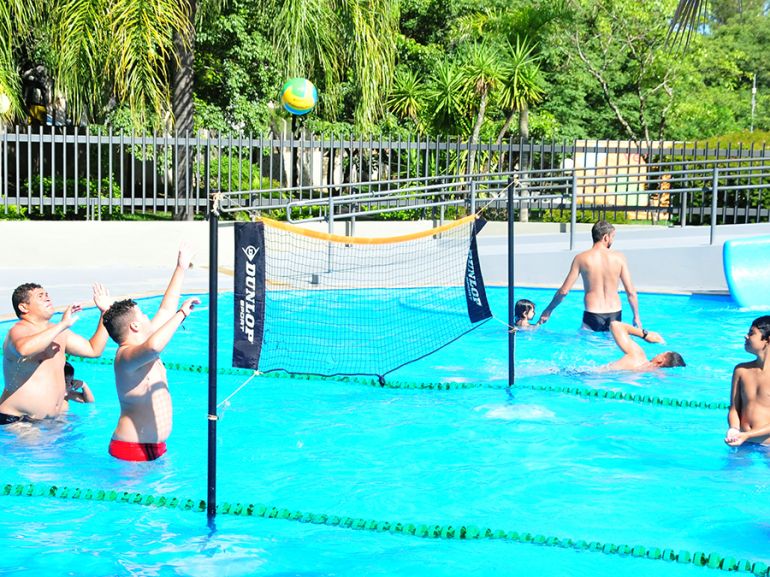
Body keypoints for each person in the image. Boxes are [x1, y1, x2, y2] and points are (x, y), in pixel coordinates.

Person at [102, 246, 199, 462]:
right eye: (144, 314)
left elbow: (165, 310)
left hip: (157, 447)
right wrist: (182, 314)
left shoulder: (143, 344)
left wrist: (181, 268)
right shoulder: (125, 357)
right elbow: (155, 346)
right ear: (135, 326)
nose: (148, 317)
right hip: (130, 448)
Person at [1, 283, 112, 424]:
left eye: (47, 295)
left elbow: (93, 350)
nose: (47, 299)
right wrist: (62, 324)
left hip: (51, 421)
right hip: (19, 421)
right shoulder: (18, 330)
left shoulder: (60, 332)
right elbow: (24, 349)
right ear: (24, 307)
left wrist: (106, 312)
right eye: (40, 296)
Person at [537, 221, 641, 332]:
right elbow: (630, 292)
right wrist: (636, 316)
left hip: (593, 313)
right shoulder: (619, 258)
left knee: (588, 347)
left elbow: (564, 291)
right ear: (606, 237)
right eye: (612, 237)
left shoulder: (581, 258)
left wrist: (548, 310)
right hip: (615, 313)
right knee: (610, 347)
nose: (612, 240)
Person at [725, 316, 770, 447]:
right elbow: (734, 408)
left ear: (767, 340)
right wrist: (733, 430)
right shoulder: (741, 370)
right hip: (742, 441)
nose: (746, 336)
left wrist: (747, 435)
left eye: (752, 333)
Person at [602, 320, 685, 372]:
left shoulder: (637, 356)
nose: (657, 354)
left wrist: (645, 335)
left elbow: (615, 325)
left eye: (662, 353)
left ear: (661, 360)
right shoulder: (650, 373)